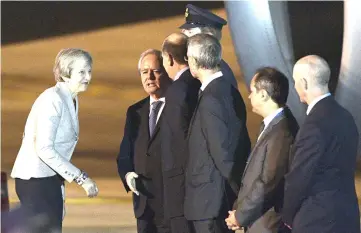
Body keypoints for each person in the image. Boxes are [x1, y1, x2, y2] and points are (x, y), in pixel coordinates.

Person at [10, 48, 99, 232]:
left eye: (89, 71)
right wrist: (81, 178)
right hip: (34, 181)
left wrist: (60, 196)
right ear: (66, 74)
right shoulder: (53, 99)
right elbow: (44, 149)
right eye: (81, 72)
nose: (87, 77)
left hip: (48, 181)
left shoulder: (70, 98)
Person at [282, 55, 360, 233]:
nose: (295, 86)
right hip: (347, 216)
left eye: (295, 81)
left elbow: (300, 177)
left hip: (316, 220)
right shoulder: (346, 117)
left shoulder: (313, 125)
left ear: (304, 83)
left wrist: (287, 217)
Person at [185, 34, 251, 233]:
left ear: (195, 62)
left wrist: (242, 198)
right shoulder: (227, 91)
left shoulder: (212, 99)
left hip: (209, 203)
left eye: (188, 58)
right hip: (215, 201)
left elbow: (222, 154)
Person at [225, 67, 299, 233]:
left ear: (264, 95)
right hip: (256, 220)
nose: (249, 96)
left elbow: (268, 182)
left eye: (252, 91)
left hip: (267, 224)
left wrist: (240, 216)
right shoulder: (270, 126)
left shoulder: (282, 132)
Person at [117, 49, 172, 233]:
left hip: (172, 207)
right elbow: (125, 154)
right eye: (144, 72)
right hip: (144, 208)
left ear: (166, 72)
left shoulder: (179, 108)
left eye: (155, 71)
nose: (149, 77)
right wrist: (128, 176)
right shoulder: (135, 112)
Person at [160, 32, 201, 233]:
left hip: (182, 192)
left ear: (168, 58)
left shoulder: (177, 91)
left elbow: (179, 142)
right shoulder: (197, 83)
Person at [179, 3, 238, 89]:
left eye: (190, 31)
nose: (183, 33)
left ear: (207, 36)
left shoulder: (216, 73)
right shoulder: (205, 66)